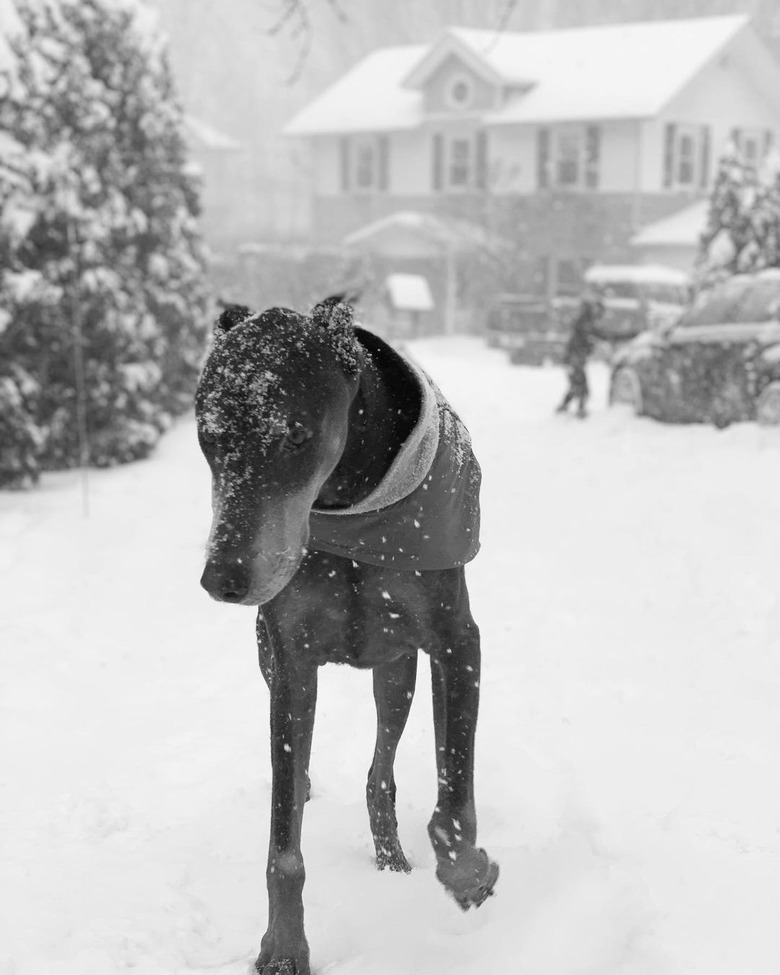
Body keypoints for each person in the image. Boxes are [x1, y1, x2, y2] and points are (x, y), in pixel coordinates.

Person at [555, 291, 606, 419]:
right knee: (582, 388)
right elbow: (601, 335)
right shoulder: (585, 323)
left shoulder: (583, 322)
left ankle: (564, 407)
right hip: (574, 359)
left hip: (572, 359)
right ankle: (580, 411)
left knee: (575, 385)